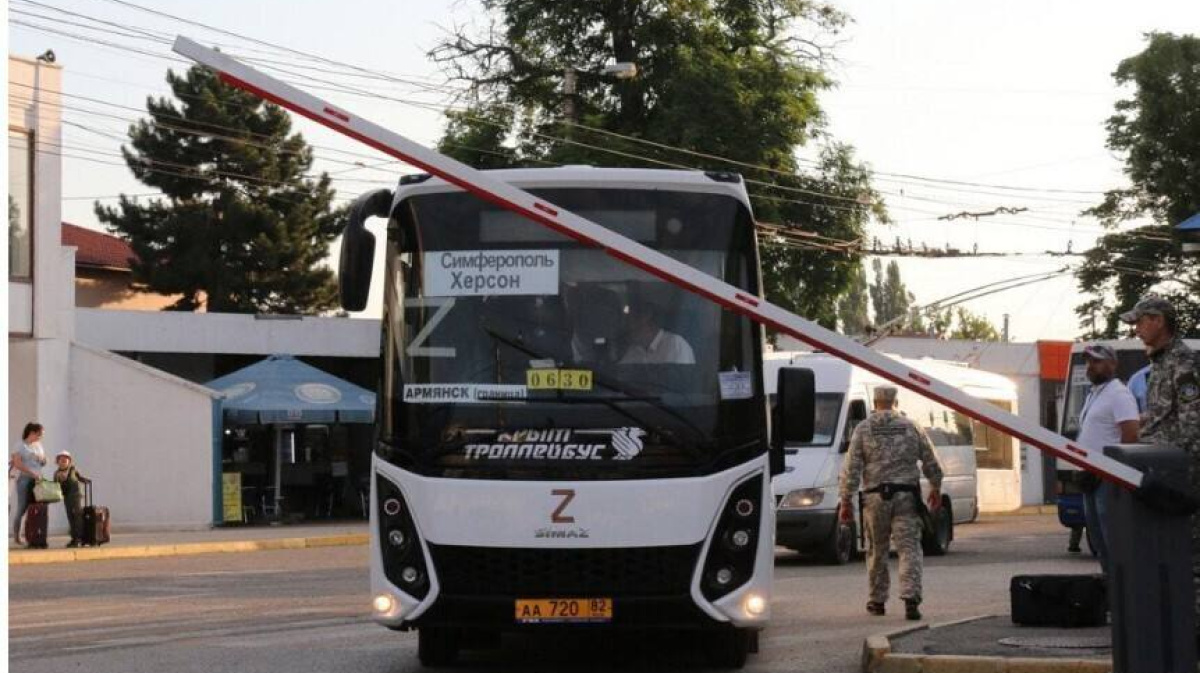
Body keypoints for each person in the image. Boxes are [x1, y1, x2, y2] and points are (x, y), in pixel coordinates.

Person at [1119, 295, 1200, 639]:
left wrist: (1180, 483)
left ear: (1158, 321)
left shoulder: (1184, 363)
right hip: (1158, 474)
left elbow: (1193, 428)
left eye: (1140, 322)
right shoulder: (1160, 365)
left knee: (1190, 560)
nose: (1136, 329)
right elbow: (1162, 419)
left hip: (1179, 480)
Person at [839, 386, 944, 620]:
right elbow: (931, 461)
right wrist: (935, 487)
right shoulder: (911, 426)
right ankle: (911, 599)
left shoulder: (863, 428)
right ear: (896, 402)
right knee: (909, 549)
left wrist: (846, 500)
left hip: (875, 498)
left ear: (875, 403)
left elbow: (852, 468)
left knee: (877, 549)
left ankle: (877, 601)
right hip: (906, 497)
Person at [1074, 344, 1140, 573]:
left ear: (1112, 364)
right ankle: (1111, 586)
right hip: (1090, 475)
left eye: (1097, 361)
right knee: (1098, 540)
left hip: (1108, 478)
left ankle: (1125, 587)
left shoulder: (1119, 394)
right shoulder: (1095, 394)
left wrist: (1113, 471)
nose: (1090, 366)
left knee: (1113, 540)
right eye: (1088, 362)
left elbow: (1130, 434)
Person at [618, 295, 695, 365]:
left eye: (631, 320)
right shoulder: (633, 350)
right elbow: (621, 373)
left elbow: (683, 375)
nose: (627, 327)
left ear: (647, 319)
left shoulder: (675, 344)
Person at [11, 422, 47, 546]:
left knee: (36, 508)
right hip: (24, 480)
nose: (41, 437)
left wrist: (43, 460)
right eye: (39, 434)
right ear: (32, 433)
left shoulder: (38, 446)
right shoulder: (19, 445)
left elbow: (43, 462)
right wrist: (32, 473)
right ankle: (17, 536)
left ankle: (32, 535)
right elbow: (17, 464)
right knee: (22, 508)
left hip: (38, 480)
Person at [52, 451, 91, 548]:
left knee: (77, 516)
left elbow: (79, 478)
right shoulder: (56, 473)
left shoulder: (73, 470)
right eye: (61, 459)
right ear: (58, 461)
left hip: (76, 496)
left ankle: (79, 538)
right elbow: (55, 487)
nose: (63, 460)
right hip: (67, 497)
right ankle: (74, 538)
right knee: (70, 517)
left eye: (66, 458)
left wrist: (86, 480)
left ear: (69, 461)